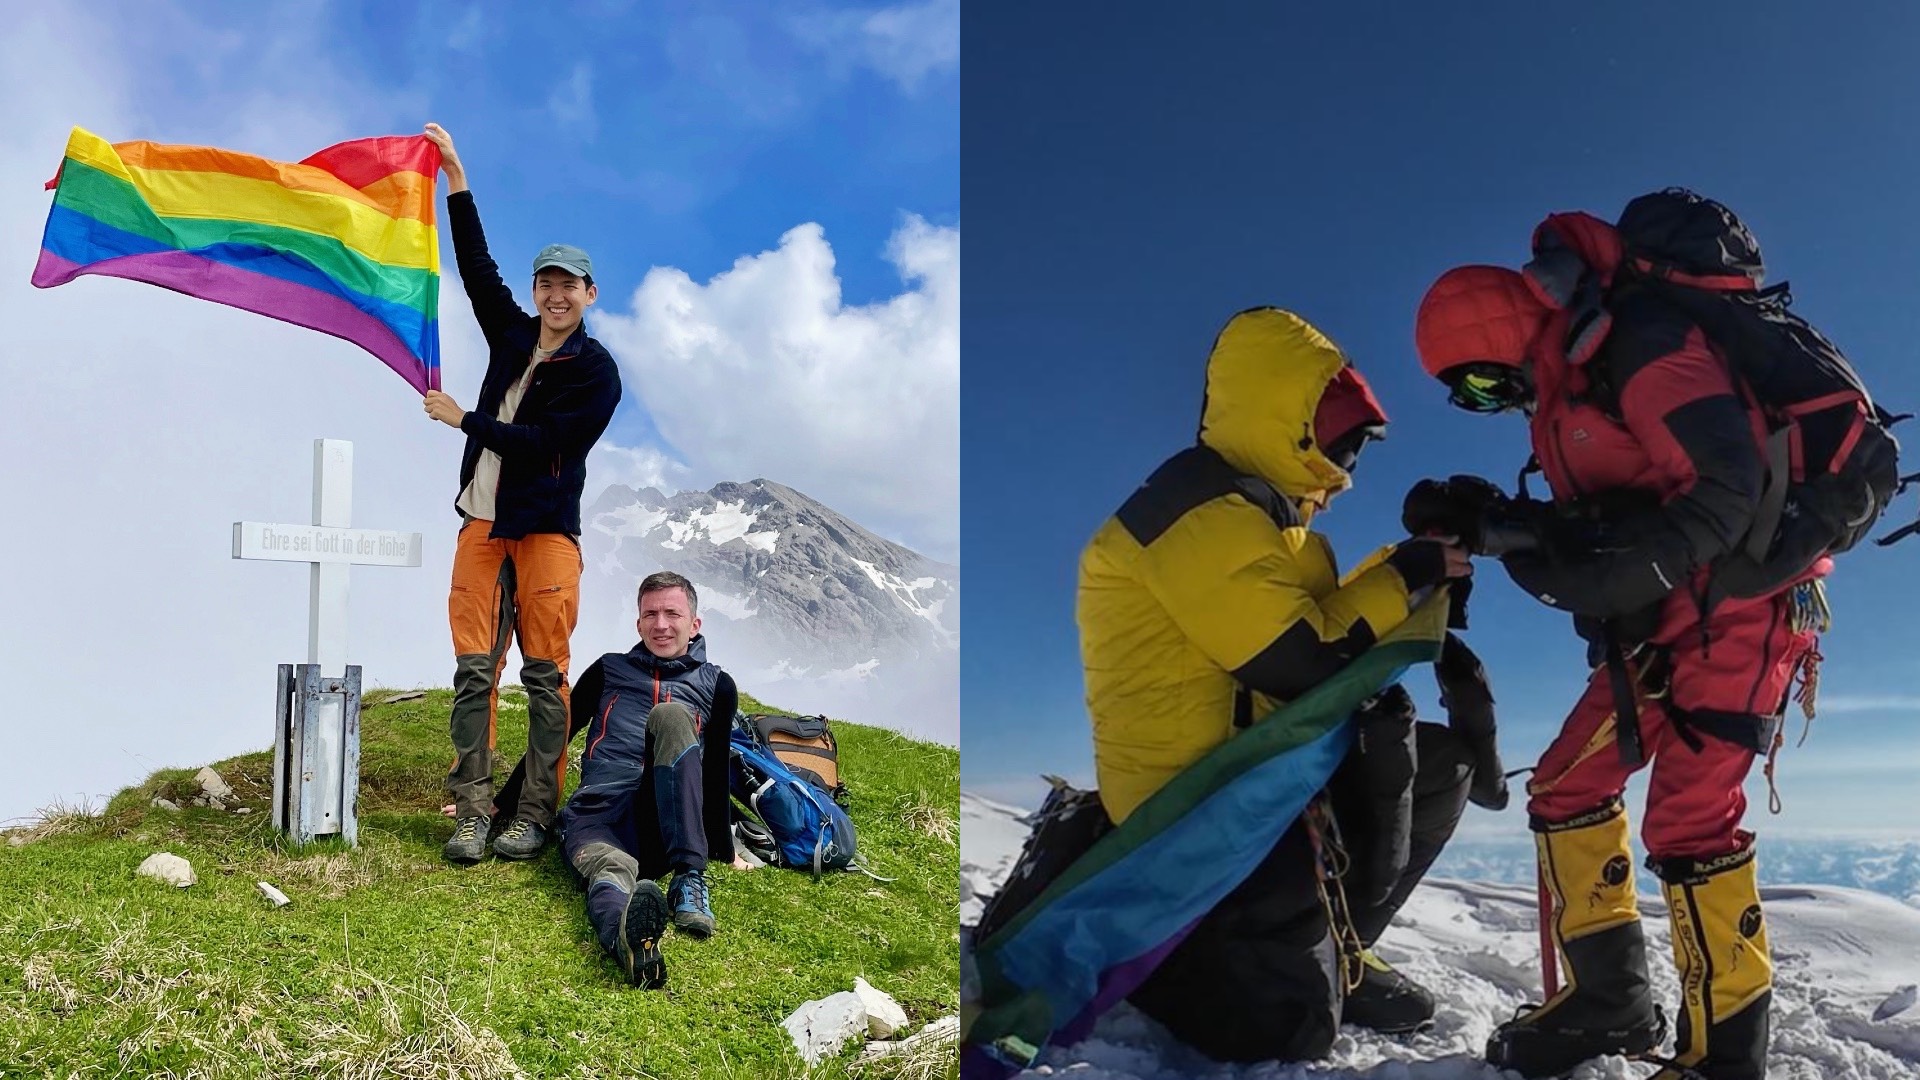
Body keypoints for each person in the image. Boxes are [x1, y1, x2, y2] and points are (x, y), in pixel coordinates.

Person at [1412, 208, 1843, 1079]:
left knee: (1688, 822)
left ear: (1506, 336)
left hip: (1743, 607)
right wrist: (1502, 526)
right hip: (1659, 625)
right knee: (1567, 785)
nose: (1489, 406)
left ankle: (1724, 1058)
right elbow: (1623, 511)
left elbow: (1722, 493)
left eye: (1484, 385)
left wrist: (1575, 560)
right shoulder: (1575, 378)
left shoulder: (1638, 345)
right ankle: (1611, 1005)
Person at [1071, 307, 1486, 1062]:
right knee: (1286, 1030)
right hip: (1193, 806)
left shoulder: (1266, 522)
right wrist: (1403, 576)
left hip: (1260, 777)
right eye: (1341, 439)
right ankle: (1152, 965)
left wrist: (1416, 569)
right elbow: (1300, 662)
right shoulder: (1195, 514)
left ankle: (1337, 952)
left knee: (1437, 764)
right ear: (1289, 417)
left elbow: (1319, 626)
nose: (1348, 467)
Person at [420, 122, 623, 865]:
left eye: (568, 285)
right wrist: (456, 180)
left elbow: (546, 447)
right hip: (481, 521)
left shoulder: (598, 374)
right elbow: (476, 270)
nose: (555, 294)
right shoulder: (512, 334)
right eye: (547, 283)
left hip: (545, 533)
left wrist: (463, 419)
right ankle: (472, 810)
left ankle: (533, 813)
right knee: (475, 672)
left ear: (589, 294)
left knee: (546, 675)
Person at [556, 571, 737, 987]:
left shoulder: (717, 685)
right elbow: (555, 742)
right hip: (598, 814)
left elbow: (714, 772)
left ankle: (689, 878)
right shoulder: (608, 671)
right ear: (637, 623)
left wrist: (725, 850)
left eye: (672, 613)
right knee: (610, 870)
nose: (660, 625)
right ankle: (629, 941)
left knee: (671, 715)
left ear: (695, 623)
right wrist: (503, 805)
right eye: (650, 614)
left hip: (665, 824)